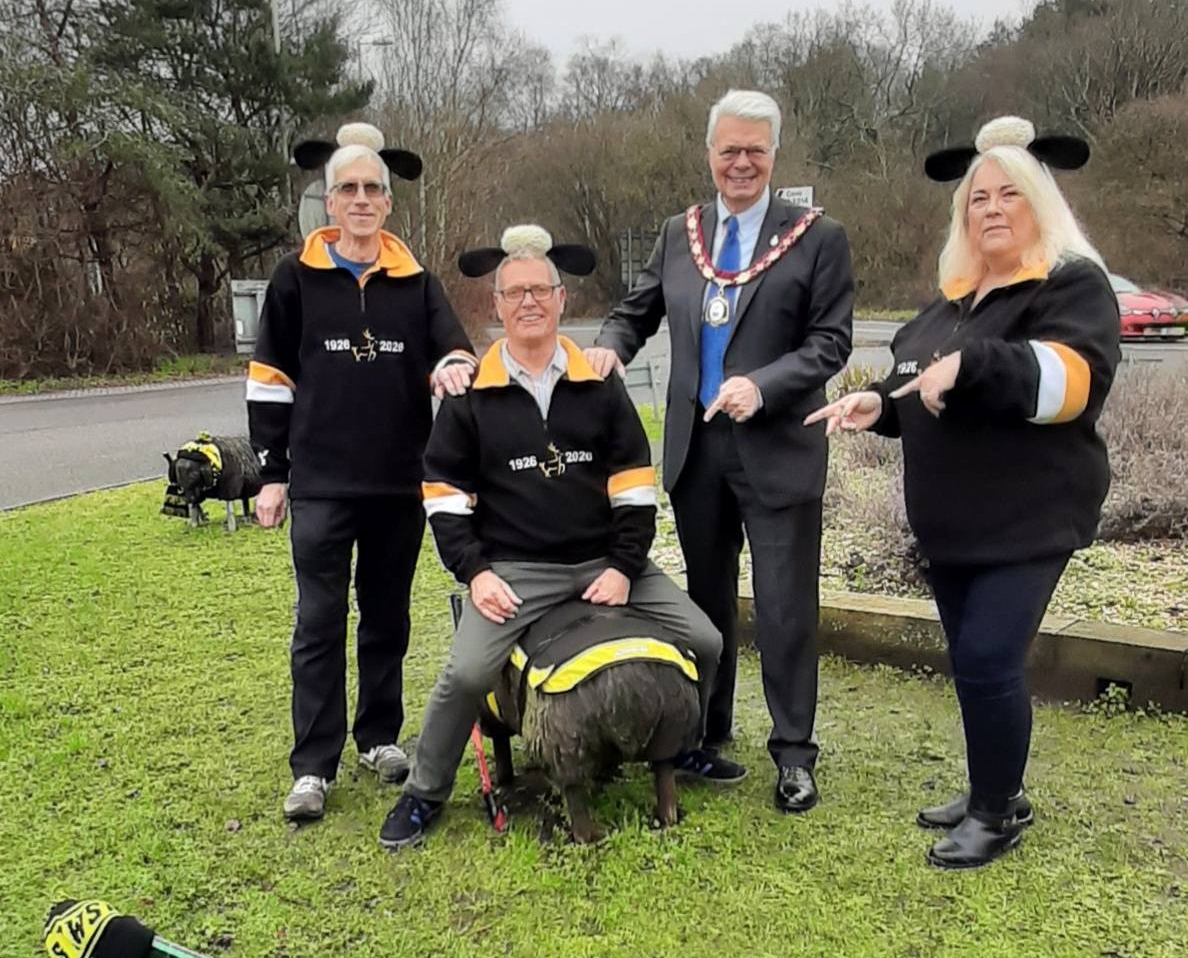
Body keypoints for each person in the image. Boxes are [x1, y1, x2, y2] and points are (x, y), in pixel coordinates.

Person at [806, 115, 1120, 870]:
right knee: (973, 659)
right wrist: (878, 404)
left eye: (1009, 194)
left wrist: (972, 366)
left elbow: (1074, 382)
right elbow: (919, 382)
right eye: (978, 198)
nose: (991, 208)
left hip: (1029, 517)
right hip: (951, 525)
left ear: (1040, 202)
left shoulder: (1073, 285)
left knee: (986, 656)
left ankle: (996, 812)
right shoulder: (952, 301)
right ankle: (995, 786)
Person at [379, 225, 725, 849]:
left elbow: (635, 486)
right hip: (518, 572)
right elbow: (445, 496)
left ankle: (683, 745)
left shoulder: (598, 380)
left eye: (540, 289)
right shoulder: (469, 394)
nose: (529, 302)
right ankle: (424, 793)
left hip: (606, 560)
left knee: (706, 638)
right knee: (465, 675)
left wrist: (624, 566)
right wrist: (476, 573)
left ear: (562, 300)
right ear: (496, 306)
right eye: (515, 293)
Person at [586, 89, 853, 813]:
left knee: (783, 607)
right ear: (709, 154)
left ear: (774, 155)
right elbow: (636, 307)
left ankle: (794, 753)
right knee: (706, 604)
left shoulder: (816, 237)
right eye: (729, 150)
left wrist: (761, 386)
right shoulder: (682, 232)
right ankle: (708, 728)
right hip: (697, 450)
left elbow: (830, 343)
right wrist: (609, 349)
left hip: (777, 449)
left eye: (754, 151)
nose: (741, 162)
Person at [248, 122, 477, 823]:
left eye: (372, 189)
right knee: (318, 623)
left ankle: (378, 736)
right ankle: (313, 765)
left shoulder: (418, 283)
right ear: (327, 199)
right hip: (319, 484)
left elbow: (454, 351)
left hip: (397, 483)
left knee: (386, 618)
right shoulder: (294, 280)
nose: (360, 199)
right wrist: (271, 472)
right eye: (346, 188)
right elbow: (269, 380)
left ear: (387, 202)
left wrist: (453, 365)